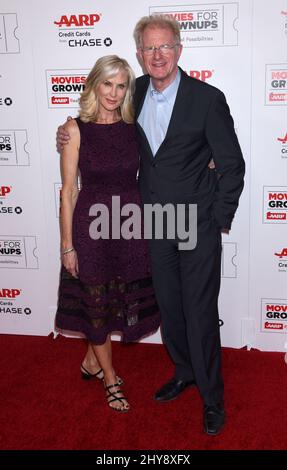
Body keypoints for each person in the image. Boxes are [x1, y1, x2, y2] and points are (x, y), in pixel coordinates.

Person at [57, 16, 245, 434]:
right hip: (152, 222)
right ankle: (183, 372)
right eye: (149, 49)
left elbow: (232, 165)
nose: (157, 55)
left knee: (199, 310)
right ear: (139, 54)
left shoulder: (207, 98)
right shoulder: (132, 93)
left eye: (165, 47)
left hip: (196, 222)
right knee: (169, 306)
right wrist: (66, 134)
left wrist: (218, 219)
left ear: (179, 50)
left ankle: (212, 397)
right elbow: (96, 127)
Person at [55, 55, 160, 413]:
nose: (114, 93)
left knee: (110, 302)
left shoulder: (135, 127)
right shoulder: (74, 129)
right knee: (97, 300)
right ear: (94, 84)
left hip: (129, 224)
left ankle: (90, 361)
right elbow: (68, 191)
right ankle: (110, 377)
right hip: (91, 227)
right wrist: (67, 246)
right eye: (108, 84)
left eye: (121, 86)